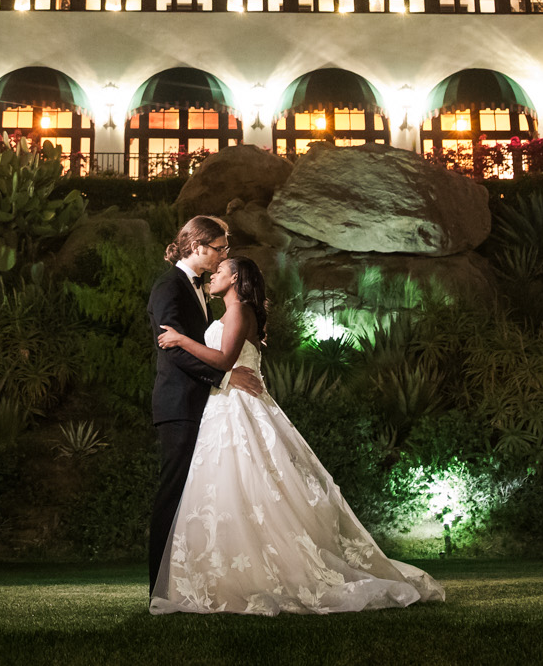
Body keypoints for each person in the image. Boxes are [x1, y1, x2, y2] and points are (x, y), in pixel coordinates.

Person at [150, 254, 445, 616]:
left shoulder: (241, 311)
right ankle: (225, 572)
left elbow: (225, 360)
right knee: (223, 490)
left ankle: (266, 571)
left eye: (221, 270)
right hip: (223, 405)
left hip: (240, 406)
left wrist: (180, 339)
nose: (214, 274)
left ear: (237, 278)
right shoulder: (228, 313)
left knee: (250, 484)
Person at [147, 216, 264, 593]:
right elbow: (173, 348)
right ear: (197, 247)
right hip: (178, 405)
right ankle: (160, 588)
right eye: (219, 248)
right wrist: (226, 377)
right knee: (174, 494)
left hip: (207, 407)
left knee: (200, 499)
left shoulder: (201, 291)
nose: (224, 255)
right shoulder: (169, 287)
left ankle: (196, 580)